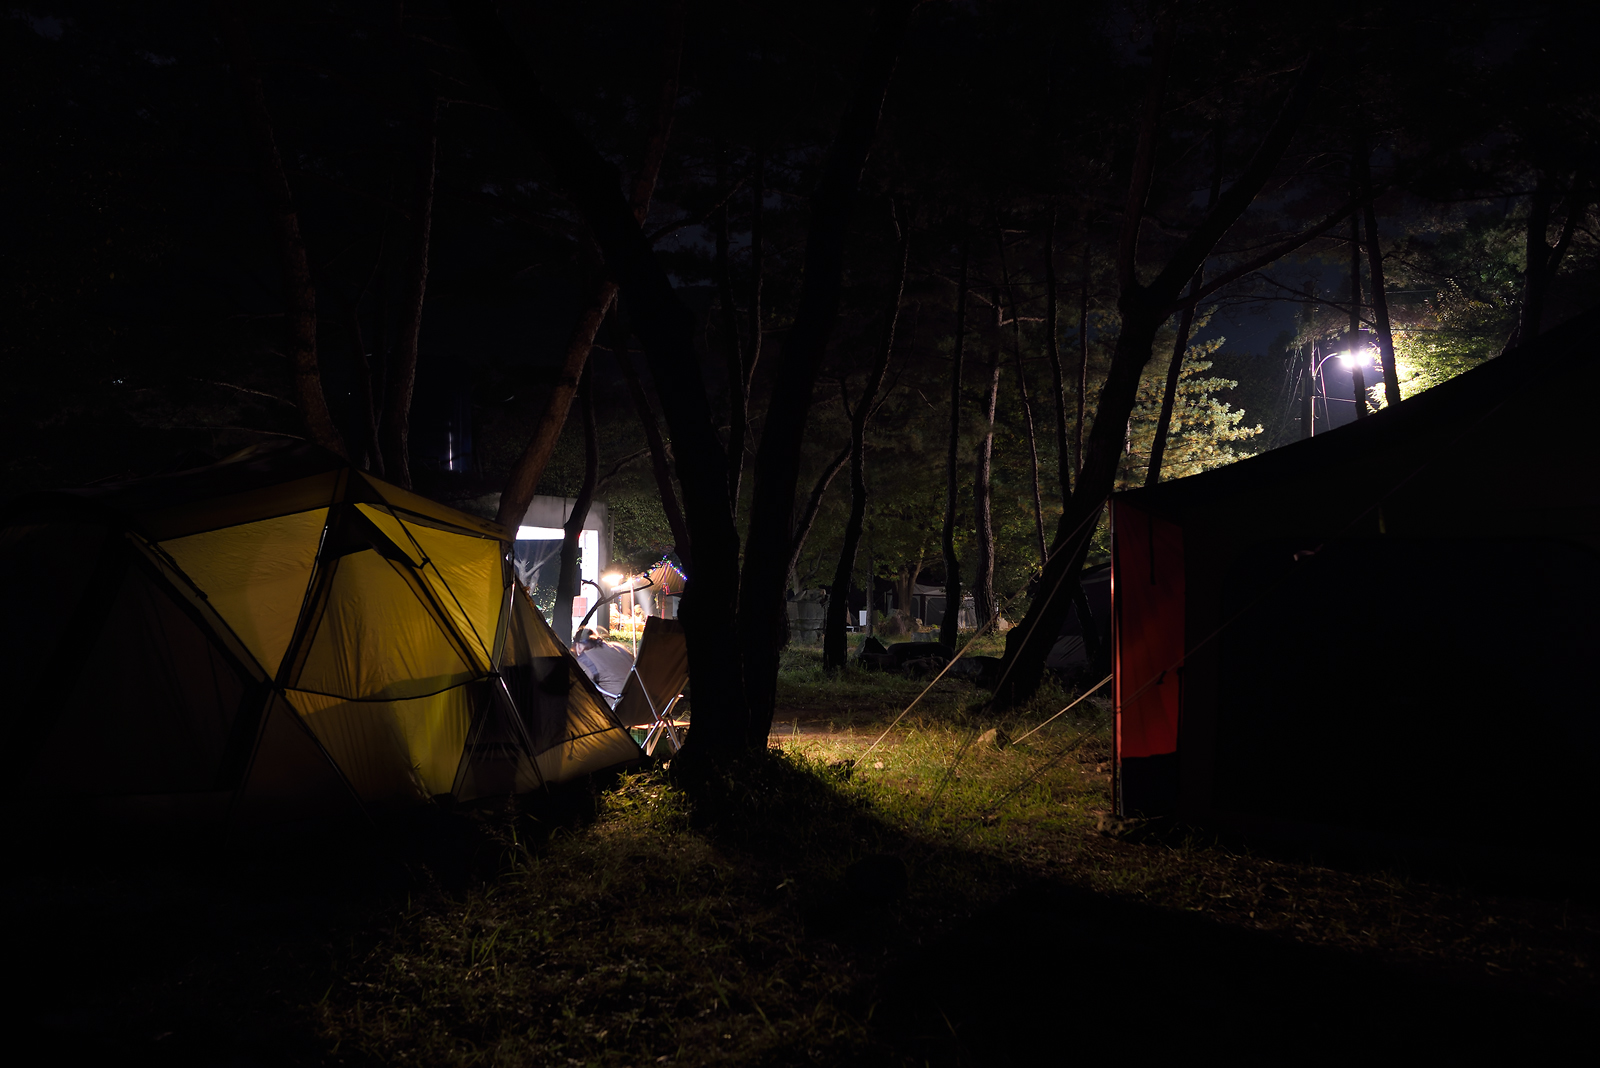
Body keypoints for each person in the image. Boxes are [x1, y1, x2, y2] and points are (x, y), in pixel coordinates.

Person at [571, 626, 634, 706]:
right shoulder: (618, 647)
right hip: (642, 701)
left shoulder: (585, 659)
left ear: (578, 646)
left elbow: (578, 689)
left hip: (618, 706)